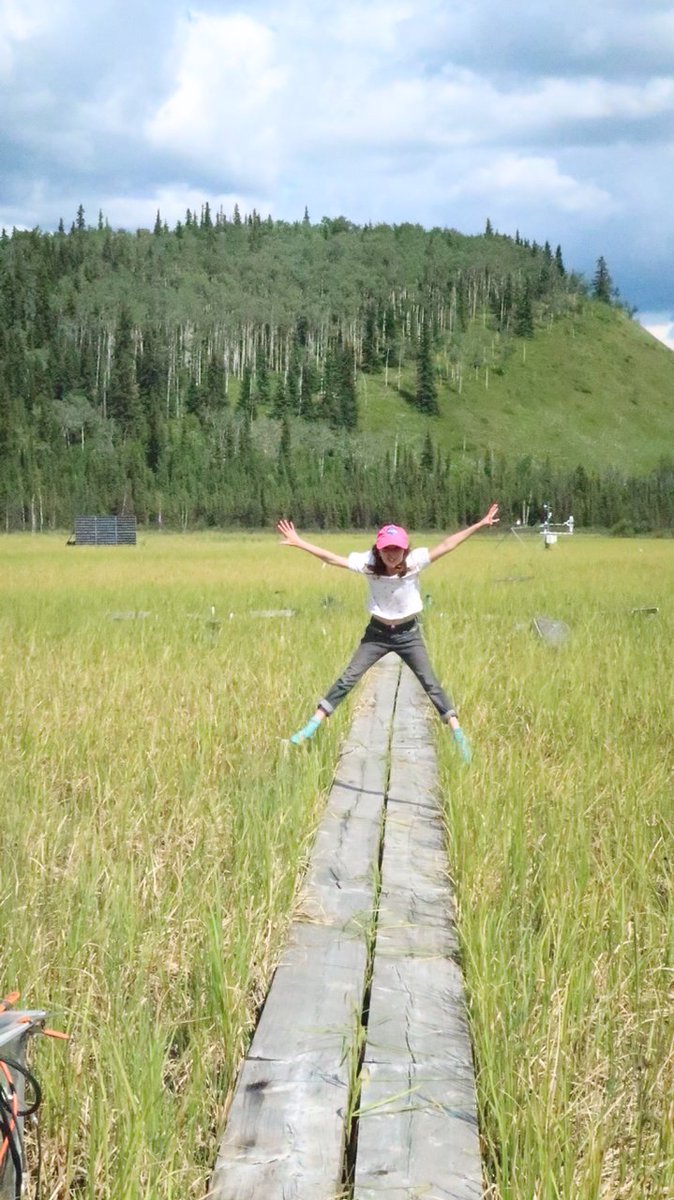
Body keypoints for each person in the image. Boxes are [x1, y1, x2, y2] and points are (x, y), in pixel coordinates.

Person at [277, 504, 499, 761]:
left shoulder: (414, 562)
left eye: (397, 549)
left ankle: (459, 737)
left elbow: (447, 545)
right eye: (387, 549)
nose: (392, 554)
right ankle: (308, 729)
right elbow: (331, 558)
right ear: (379, 549)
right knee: (348, 678)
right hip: (377, 634)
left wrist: (480, 524)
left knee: (430, 683)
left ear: (405, 549)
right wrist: (299, 542)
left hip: (408, 634)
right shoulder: (368, 564)